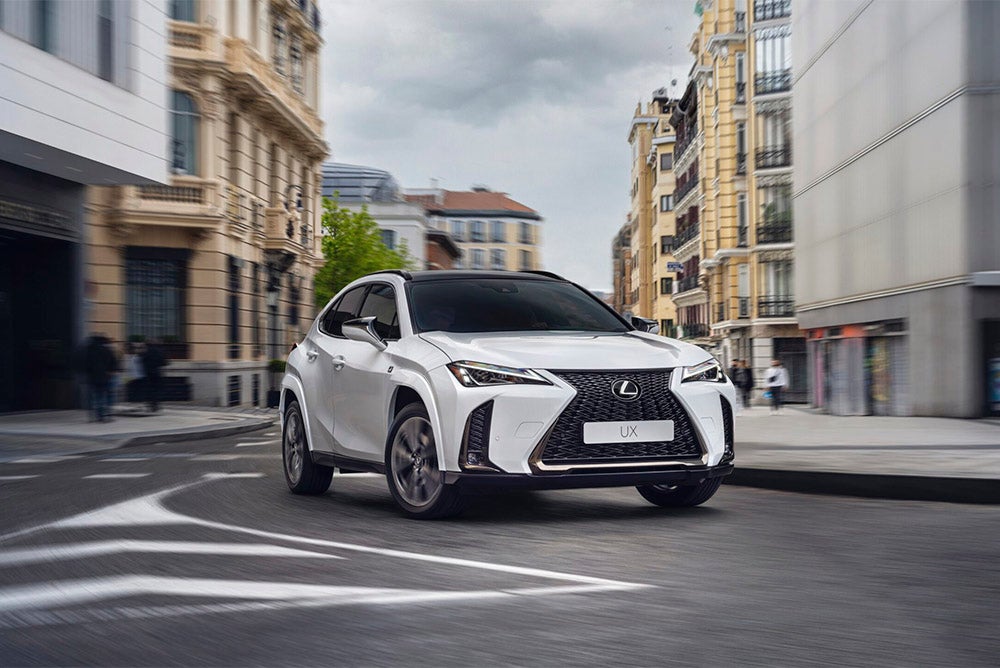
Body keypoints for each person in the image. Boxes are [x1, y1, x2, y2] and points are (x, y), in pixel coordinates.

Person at [79, 333, 118, 422]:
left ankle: (95, 415)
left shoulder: (88, 351)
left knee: (94, 396)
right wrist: (111, 372)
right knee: (104, 395)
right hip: (105, 377)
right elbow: (113, 362)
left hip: (92, 377)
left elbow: (84, 364)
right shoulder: (106, 350)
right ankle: (103, 415)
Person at [141, 338, 167, 412]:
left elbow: (142, 361)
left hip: (147, 373)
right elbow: (164, 362)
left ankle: (150, 404)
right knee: (157, 389)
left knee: (149, 389)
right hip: (157, 372)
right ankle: (156, 404)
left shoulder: (145, 351)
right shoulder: (160, 351)